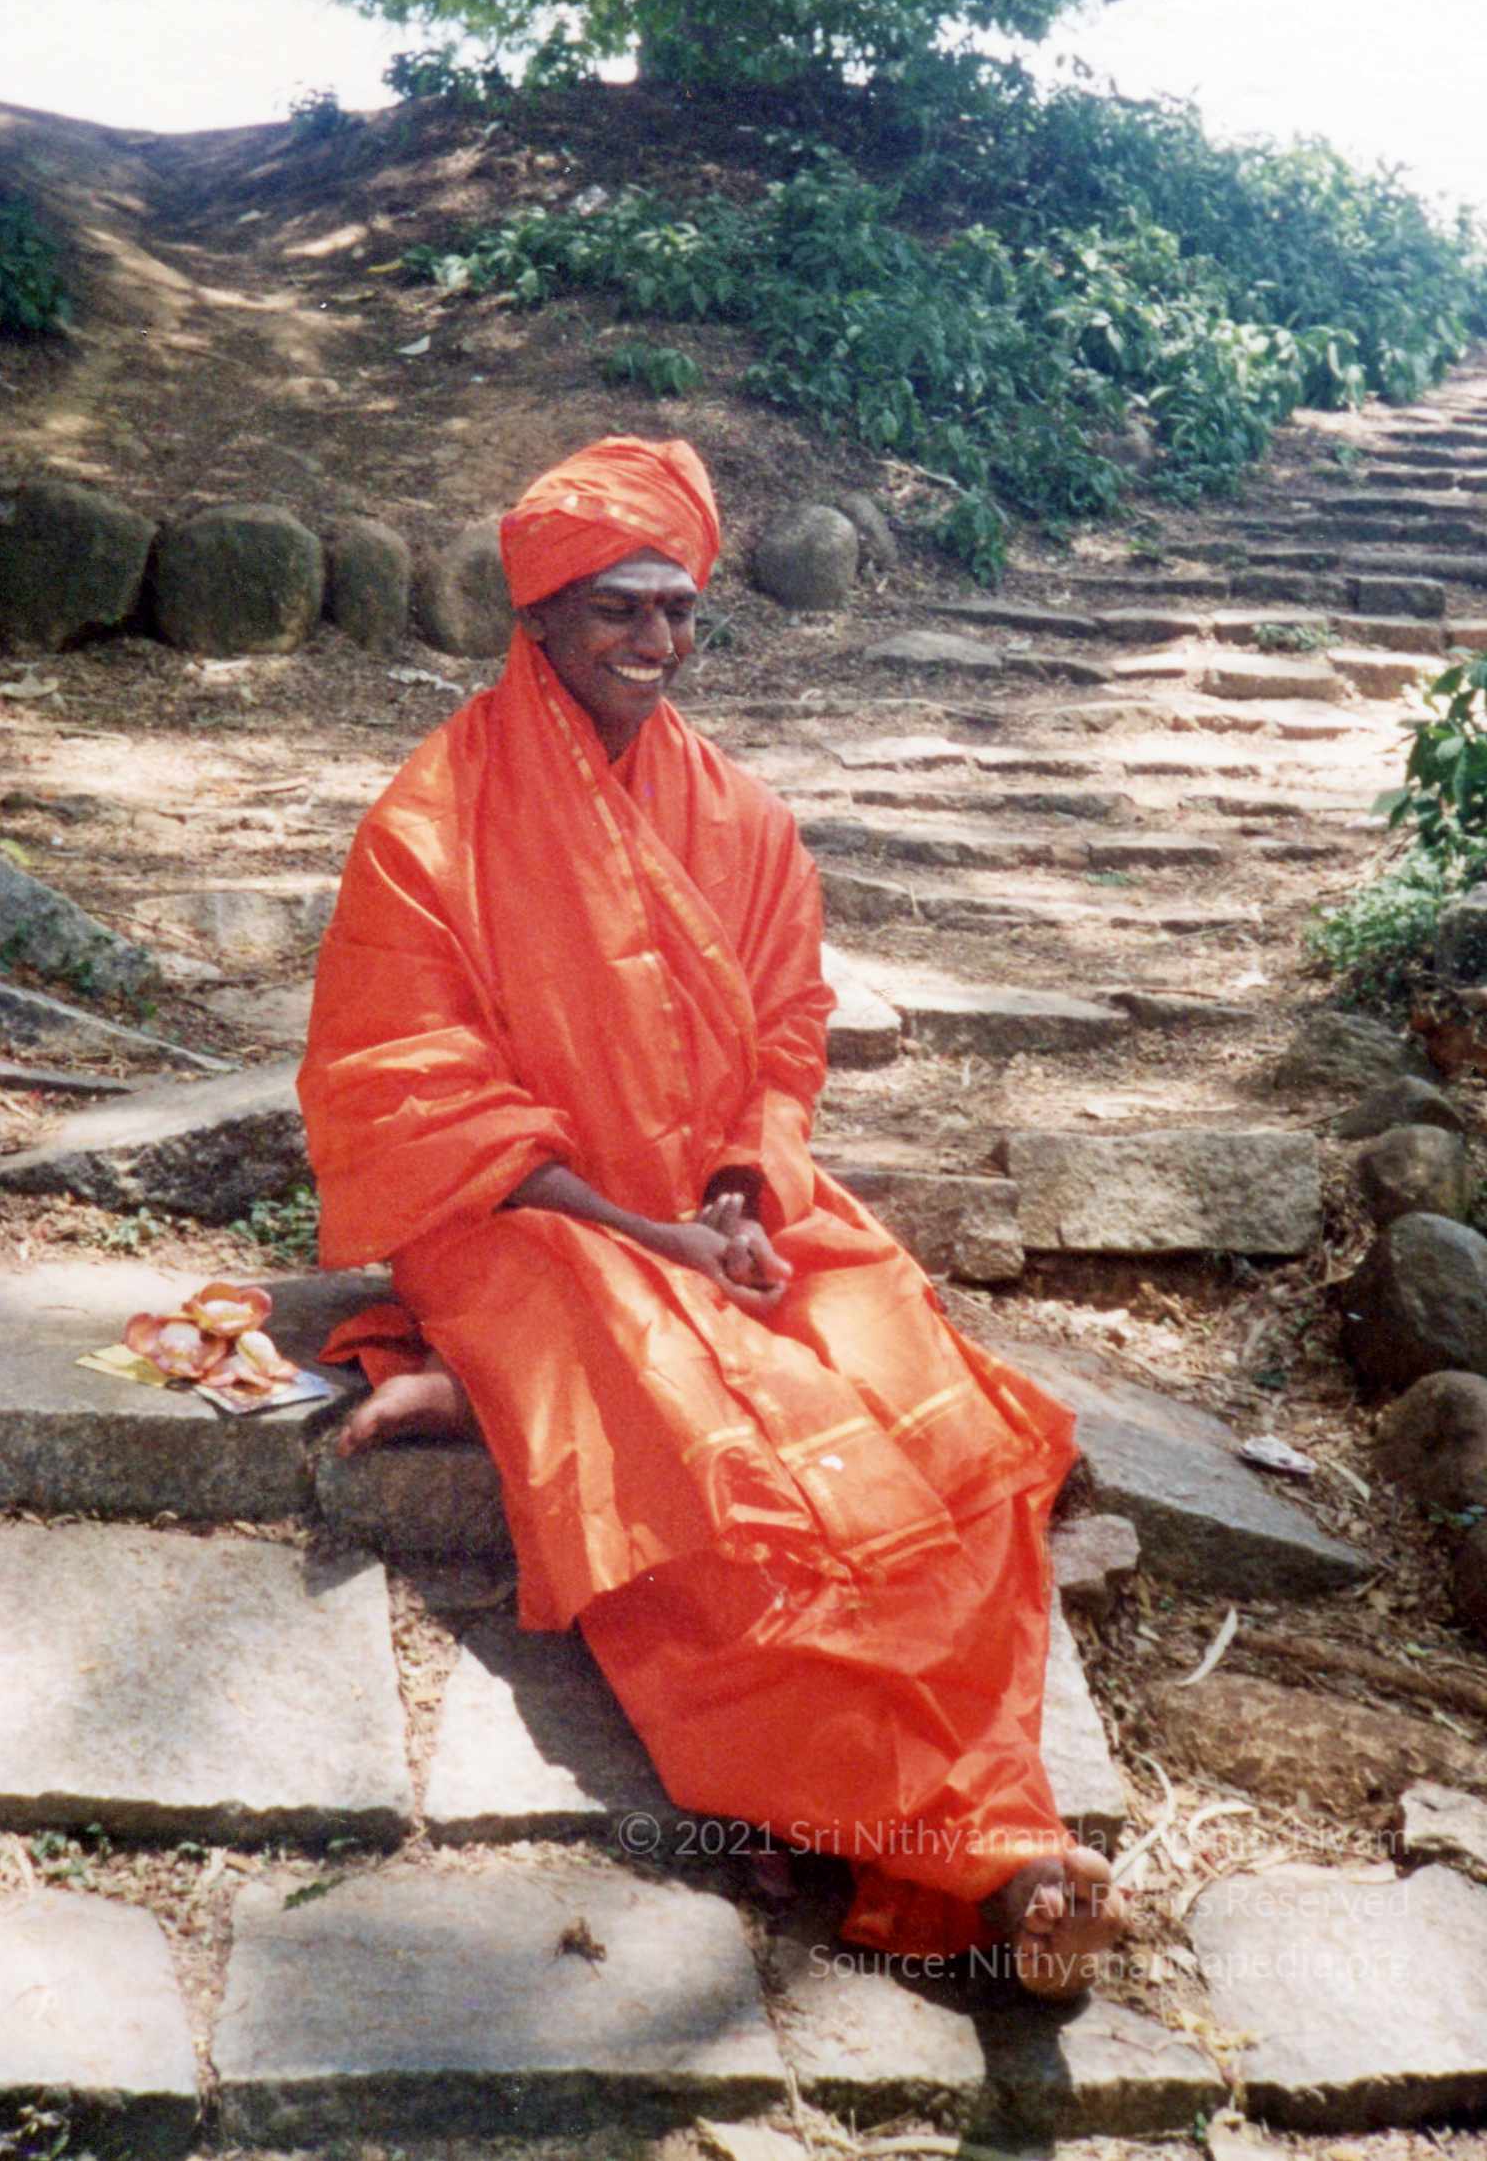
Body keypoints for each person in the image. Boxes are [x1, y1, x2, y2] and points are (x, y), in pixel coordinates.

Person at [298, 435, 1125, 1996]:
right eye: (619, 609)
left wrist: (743, 1186)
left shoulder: (737, 815)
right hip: (521, 1219)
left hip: (709, 1208)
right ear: (539, 616)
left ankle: (984, 1825)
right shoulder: (428, 822)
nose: (656, 642)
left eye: (679, 610)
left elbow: (788, 1031)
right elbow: (410, 1085)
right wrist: (645, 1236)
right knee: (710, 1457)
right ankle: (990, 1860)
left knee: (911, 1390)